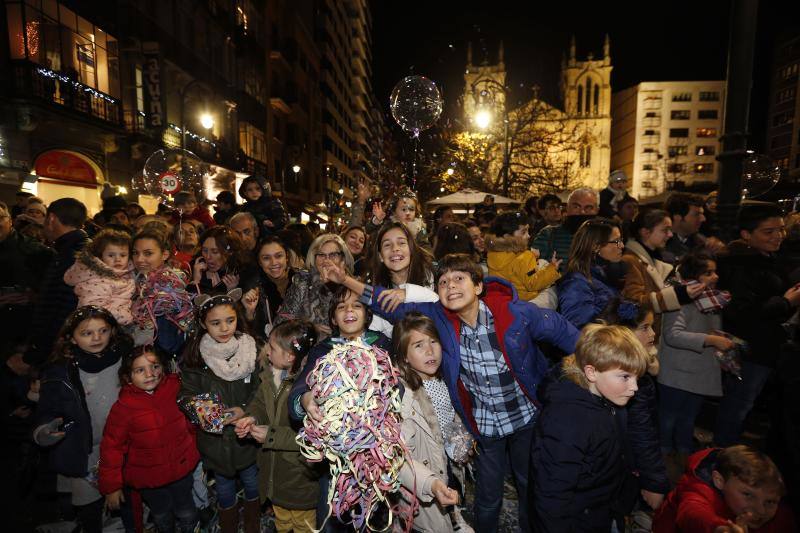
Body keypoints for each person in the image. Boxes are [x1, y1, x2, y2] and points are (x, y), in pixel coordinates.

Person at [319, 253, 579, 533]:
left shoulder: (514, 314)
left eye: (459, 279)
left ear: (478, 286)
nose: (451, 285)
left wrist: (593, 367)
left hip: (525, 418)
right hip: (486, 426)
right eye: (443, 282)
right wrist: (345, 279)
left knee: (530, 485)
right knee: (488, 496)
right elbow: (390, 305)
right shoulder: (441, 319)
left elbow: (566, 334)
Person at [529, 324, 649, 532]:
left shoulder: (603, 400)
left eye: (637, 377)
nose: (634, 388)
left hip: (599, 511)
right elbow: (552, 495)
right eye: (625, 377)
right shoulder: (567, 422)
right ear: (591, 372)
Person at [33, 306, 133, 533]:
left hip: (120, 446)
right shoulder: (61, 371)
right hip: (86, 451)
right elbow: (47, 409)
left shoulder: (125, 358)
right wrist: (44, 430)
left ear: (112, 332)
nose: (97, 338)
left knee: (121, 500)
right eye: (87, 333)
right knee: (91, 506)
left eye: (103, 331)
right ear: (72, 338)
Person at [713, 203, 800, 446]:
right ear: (746, 235)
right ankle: (721, 456)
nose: (778, 237)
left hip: (767, 348)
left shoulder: (767, 259)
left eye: (781, 230)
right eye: (768, 232)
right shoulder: (739, 265)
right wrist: (786, 301)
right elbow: (742, 313)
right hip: (750, 351)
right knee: (738, 406)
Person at [179, 290, 261, 533]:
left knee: (252, 482)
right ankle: (228, 524)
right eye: (215, 323)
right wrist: (213, 415)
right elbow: (186, 395)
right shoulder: (196, 358)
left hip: (247, 437)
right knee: (224, 488)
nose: (224, 328)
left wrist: (245, 410)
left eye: (230, 320)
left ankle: (254, 523)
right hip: (215, 443)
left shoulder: (250, 350)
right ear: (204, 324)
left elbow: (262, 390)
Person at [99, 345, 200, 533]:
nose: (150, 374)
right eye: (140, 370)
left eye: (155, 366)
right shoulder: (123, 408)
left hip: (181, 469)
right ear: (128, 377)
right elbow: (111, 448)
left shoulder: (176, 388)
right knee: (162, 515)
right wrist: (111, 487)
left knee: (186, 510)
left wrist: (196, 448)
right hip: (149, 480)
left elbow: (192, 420)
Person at [234, 320, 320, 533]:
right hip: (274, 473)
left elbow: (311, 436)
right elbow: (260, 402)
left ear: (290, 357)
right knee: (282, 520)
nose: (267, 351)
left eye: (272, 347)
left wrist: (271, 436)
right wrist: (252, 417)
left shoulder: (309, 391)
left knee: (303, 525)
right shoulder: (271, 375)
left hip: (299, 477)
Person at [392, 313, 471, 533]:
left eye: (433, 341)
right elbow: (398, 458)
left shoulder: (444, 378)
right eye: (418, 345)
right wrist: (431, 483)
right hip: (423, 479)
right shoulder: (404, 397)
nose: (430, 351)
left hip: (448, 465)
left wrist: (461, 442)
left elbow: (451, 417)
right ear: (404, 356)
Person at [598, 299, 670, 525]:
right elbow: (641, 432)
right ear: (623, 333)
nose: (652, 334)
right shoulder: (631, 379)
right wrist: (654, 481)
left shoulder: (634, 368)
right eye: (645, 327)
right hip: (620, 468)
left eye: (652, 326)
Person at [658, 252, 734, 467]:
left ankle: (684, 457)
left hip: (699, 373)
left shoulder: (711, 300)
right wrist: (709, 339)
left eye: (715, 271)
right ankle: (664, 457)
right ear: (694, 275)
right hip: (677, 373)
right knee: (669, 418)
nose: (715, 276)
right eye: (708, 272)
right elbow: (672, 334)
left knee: (688, 419)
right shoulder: (681, 299)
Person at [9, 198, 89, 374]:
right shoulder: (75, 249)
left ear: (51, 219)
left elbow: (58, 312)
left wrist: (33, 356)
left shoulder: (70, 255)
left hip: (59, 353)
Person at [654, 445, 796, 532]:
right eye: (748, 495)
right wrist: (719, 529)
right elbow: (692, 513)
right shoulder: (697, 491)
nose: (761, 510)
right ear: (719, 481)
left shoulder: (782, 515)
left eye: (770, 502)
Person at [622, 208, 703, 337]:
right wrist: (678, 294)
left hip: (653, 334)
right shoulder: (631, 260)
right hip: (640, 336)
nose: (670, 235)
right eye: (665, 230)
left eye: (670, 230)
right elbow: (635, 303)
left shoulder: (654, 260)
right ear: (645, 232)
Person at [275, 233, 355, 339]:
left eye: (333, 254)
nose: (327, 260)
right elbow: (281, 321)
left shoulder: (352, 285)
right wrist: (309, 328)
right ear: (314, 258)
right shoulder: (303, 282)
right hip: (308, 347)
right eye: (321, 255)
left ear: (343, 259)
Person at [0, 201, 54, 355]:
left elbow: (55, 291)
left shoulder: (36, 251)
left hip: (21, 334)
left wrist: (33, 296)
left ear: (10, 221)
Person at [130, 230, 194, 354]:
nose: (139, 259)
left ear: (164, 254)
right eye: (135, 253)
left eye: (148, 253)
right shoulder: (135, 281)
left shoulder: (169, 287)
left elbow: (168, 343)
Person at [558, 218, 627, 329]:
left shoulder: (603, 275)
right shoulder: (576, 283)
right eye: (616, 241)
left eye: (621, 240)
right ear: (595, 246)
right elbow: (581, 332)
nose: (622, 245)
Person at [63, 228, 136, 326]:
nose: (117, 259)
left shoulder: (125, 273)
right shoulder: (97, 280)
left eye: (123, 255)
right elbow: (95, 309)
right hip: (99, 327)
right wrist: (128, 317)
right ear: (100, 256)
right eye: (111, 255)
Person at [485, 211, 561, 301]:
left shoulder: (491, 254)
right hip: (527, 301)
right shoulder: (525, 257)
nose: (528, 235)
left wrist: (533, 257)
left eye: (528, 231)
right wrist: (552, 268)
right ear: (508, 236)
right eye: (524, 232)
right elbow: (533, 283)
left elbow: (512, 268)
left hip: (505, 301)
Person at [532, 187, 599, 272]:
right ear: (567, 208)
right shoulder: (548, 234)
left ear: (597, 210)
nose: (582, 212)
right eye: (576, 207)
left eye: (588, 207)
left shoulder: (606, 236)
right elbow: (531, 269)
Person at [242, 236, 296, 340]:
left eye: (278, 256)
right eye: (266, 258)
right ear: (259, 262)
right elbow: (250, 332)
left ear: (287, 257)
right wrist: (249, 313)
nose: (274, 262)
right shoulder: (253, 287)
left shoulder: (303, 281)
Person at [368, 221, 435, 289]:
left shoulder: (432, 277)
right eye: (387, 245)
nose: (395, 248)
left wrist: (408, 294)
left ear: (411, 249)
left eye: (401, 243)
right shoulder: (374, 286)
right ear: (380, 256)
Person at [191, 226, 256, 296]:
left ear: (230, 252)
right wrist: (196, 281)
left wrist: (232, 292)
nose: (208, 257)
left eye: (215, 252)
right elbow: (187, 304)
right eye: (205, 250)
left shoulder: (244, 272)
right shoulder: (195, 267)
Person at [662, 192, 708, 265]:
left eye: (702, 214)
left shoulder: (702, 242)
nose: (703, 219)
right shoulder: (660, 243)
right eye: (697, 214)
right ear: (678, 217)